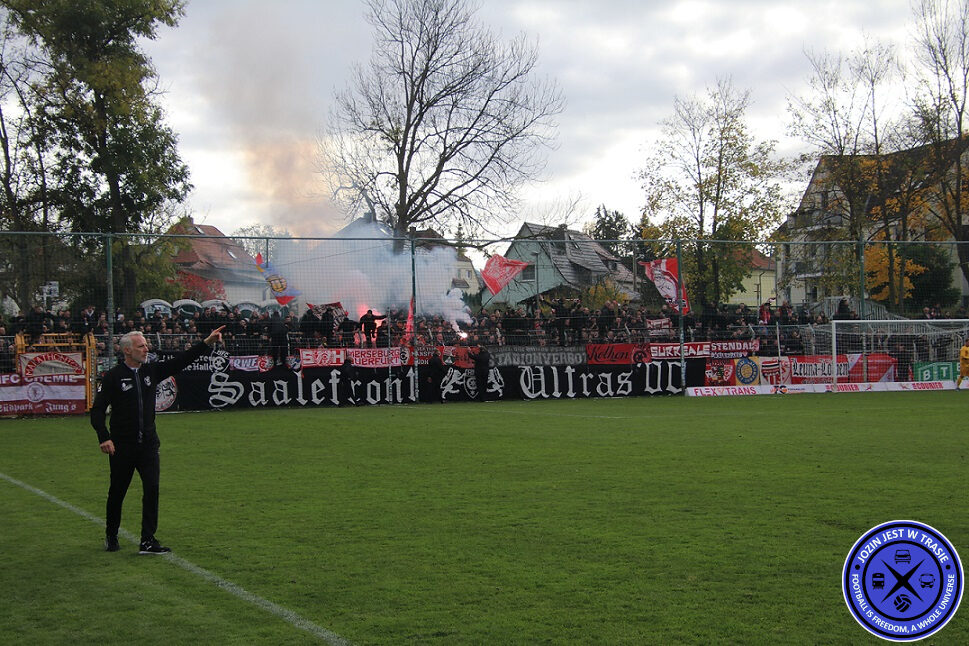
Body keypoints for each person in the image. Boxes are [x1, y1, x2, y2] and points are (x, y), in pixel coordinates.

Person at [90, 325, 224, 554]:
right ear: (127, 351)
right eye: (141, 346)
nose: (146, 348)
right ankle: (111, 536)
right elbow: (97, 410)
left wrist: (207, 342)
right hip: (122, 446)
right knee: (118, 491)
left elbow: (181, 361)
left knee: (152, 488)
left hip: (149, 444)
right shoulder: (113, 377)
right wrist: (105, 438)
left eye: (146, 345)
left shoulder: (150, 371)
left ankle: (147, 540)